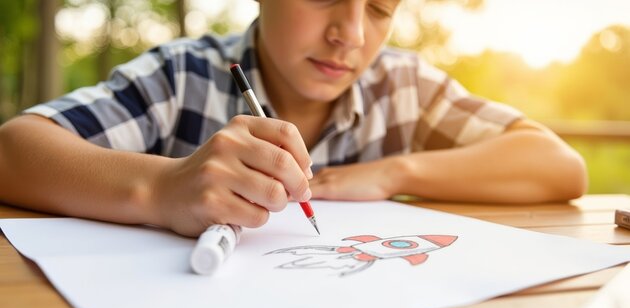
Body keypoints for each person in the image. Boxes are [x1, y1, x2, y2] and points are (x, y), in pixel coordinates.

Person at [0, 0, 587, 237]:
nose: (350, 34)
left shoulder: (404, 85)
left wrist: (395, 172)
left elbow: (558, 166)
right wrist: (159, 187)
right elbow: (14, 149)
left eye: (379, 9)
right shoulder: (185, 76)